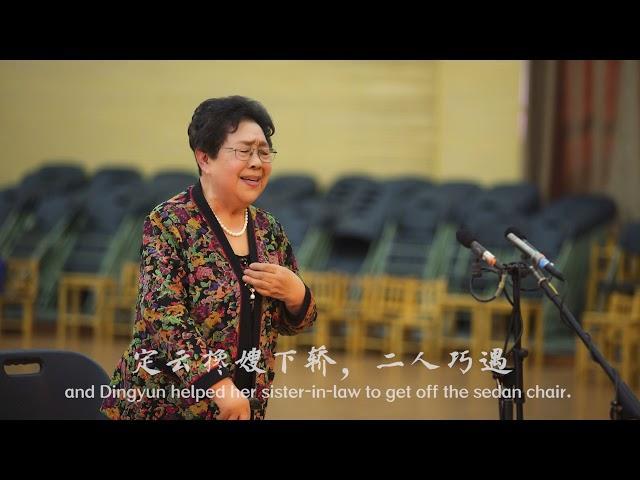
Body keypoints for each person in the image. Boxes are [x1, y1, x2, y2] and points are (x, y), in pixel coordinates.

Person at [100, 96, 317, 420]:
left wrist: (297, 295)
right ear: (205, 158)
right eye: (244, 151)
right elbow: (162, 317)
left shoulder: (269, 230)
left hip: (241, 408)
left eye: (264, 150)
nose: (257, 162)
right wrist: (216, 384)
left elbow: (295, 322)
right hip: (162, 407)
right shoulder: (169, 222)